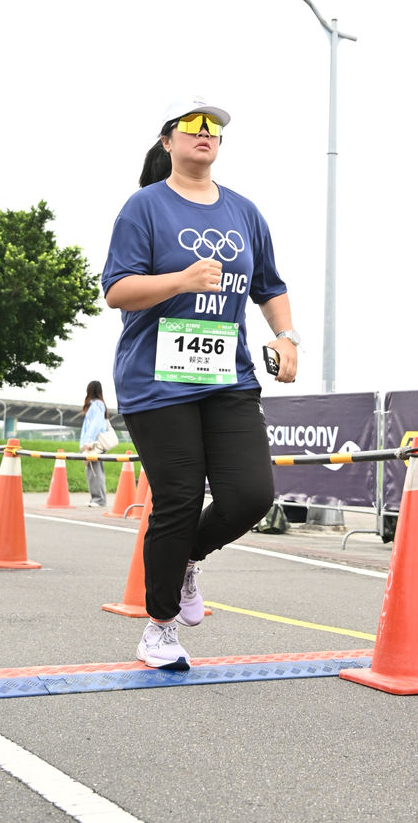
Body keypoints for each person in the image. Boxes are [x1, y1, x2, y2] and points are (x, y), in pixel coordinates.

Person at [102, 96, 298, 670]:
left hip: (227, 377)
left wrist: (287, 337)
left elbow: (270, 286)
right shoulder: (144, 207)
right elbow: (117, 290)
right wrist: (180, 280)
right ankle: (159, 628)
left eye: (213, 127)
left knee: (250, 496)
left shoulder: (244, 212)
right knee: (180, 499)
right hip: (156, 380)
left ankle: (186, 559)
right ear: (168, 142)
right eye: (191, 125)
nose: (204, 132)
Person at [79, 380, 109, 508]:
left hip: (93, 444)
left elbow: (95, 425)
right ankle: (97, 498)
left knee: (94, 472)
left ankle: (99, 499)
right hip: (95, 443)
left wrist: (88, 442)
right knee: (95, 471)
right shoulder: (99, 404)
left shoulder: (96, 405)